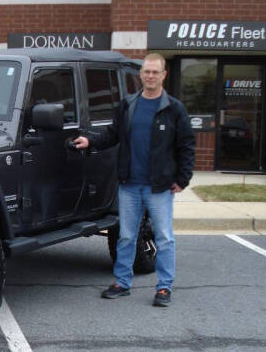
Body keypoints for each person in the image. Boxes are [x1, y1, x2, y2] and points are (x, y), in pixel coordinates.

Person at [73, 53, 194, 306]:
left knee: (164, 237)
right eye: (146, 72)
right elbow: (112, 134)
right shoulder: (128, 105)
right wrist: (90, 141)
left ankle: (164, 288)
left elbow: (186, 146)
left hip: (159, 187)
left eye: (155, 72)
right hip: (129, 185)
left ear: (163, 75)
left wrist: (183, 179)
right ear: (141, 75)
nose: (150, 76)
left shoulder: (174, 109)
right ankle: (122, 283)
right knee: (126, 236)